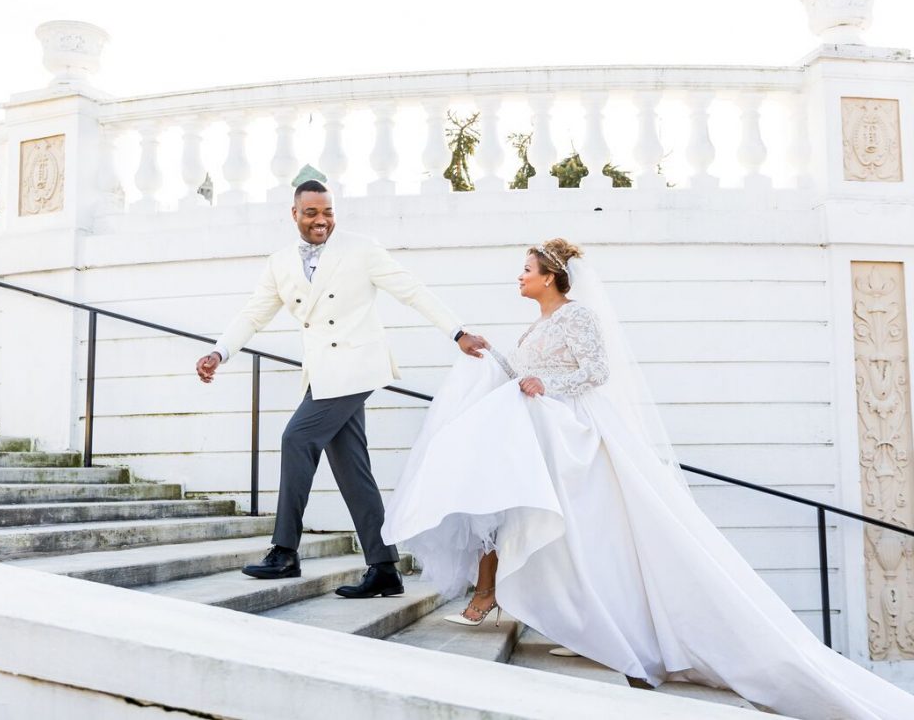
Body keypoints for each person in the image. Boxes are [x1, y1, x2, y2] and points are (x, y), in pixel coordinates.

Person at [382, 238, 914, 719]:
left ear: (550, 276)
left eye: (526, 269)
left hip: (577, 436)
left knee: (587, 533)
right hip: (543, 434)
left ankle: (566, 613)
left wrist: (549, 384)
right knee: (531, 517)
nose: (518, 276)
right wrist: (488, 354)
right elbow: (522, 375)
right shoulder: (536, 326)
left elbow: (594, 372)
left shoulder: (577, 317)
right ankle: (543, 608)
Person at [196, 177, 486, 598]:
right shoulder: (280, 263)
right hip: (323, 373)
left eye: (328, 211)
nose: (321, 220)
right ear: (294, 213)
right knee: (353, 470)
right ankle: (384, 566)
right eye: (311, 212)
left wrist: (457, 331)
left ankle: (284, 550)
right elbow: (253, 315)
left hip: (357, 366)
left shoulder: (361, 247)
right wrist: (220, 352)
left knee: (296, 438)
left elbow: (411, 291)